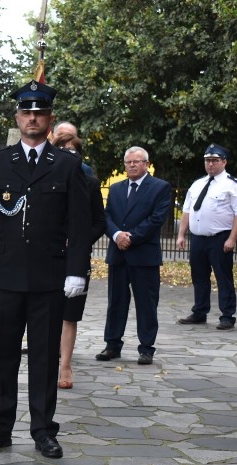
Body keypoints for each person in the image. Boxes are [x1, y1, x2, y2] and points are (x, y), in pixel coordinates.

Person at [0, 81, 90, 459]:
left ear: (49, 119)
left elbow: (79, 225)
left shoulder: (68, 164)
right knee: (3, 355)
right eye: (26, 112)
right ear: (17, 117)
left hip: (48, 277)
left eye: (39, 112)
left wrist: (77, 271)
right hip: (5, 277)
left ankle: (43, 429)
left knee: (43, 357)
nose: (32, 117)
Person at [96, 147, 173, 365]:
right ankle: (112, 345)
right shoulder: (117, 188)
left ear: (146, 164)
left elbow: (157, 219)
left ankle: (146, 348)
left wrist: (132, 237)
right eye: (128, 162)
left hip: (144, 255)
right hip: (118, 255)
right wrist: (117, 235)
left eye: (136, 162)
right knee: (116, 302)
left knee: (146, 303)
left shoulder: (160, 187)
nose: (131, 165)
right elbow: (107, 215)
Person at [51, 132, 106, 389]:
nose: (68, 154)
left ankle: (65, 366)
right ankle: (48, 361)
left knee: (69, 314)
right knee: (47, 312)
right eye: (62, 149)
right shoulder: (45, 179)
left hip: (75, 258)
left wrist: (78, 241)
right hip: (47, 257)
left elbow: (98, 223)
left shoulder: (90, 183)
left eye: (73, 150)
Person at [176, 144, 237, 330]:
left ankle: (227, 315)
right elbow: (187, 211)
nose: (210, 164)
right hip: (198, 238)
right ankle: (199, 311)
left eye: (215, 160)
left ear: (224, 162)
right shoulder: (197, 183)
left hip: (220, 237)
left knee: (223, 277)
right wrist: (181, 234)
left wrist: (232, 238)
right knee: (199, 276)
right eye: (207, 160)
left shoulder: (233, 185)